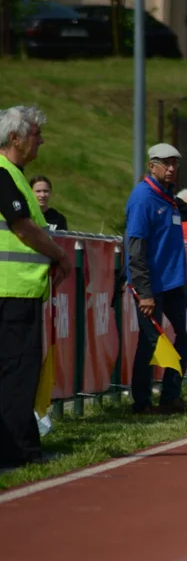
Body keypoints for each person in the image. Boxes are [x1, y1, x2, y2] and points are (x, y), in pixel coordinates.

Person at [0, 105, 72, 468]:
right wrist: (61, 254)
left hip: (18, 291)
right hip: (11, 293)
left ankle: (25, 447)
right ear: (15, 138)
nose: (41, 140)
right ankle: (14, 453)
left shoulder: (13, 174)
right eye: (35, 134)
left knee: (18, 373)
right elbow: (23, 228)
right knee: (16, 373)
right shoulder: (4, 174)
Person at [125, 143, 187, 415]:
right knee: (149, 342)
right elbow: (135, 248)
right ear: (152, 165)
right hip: (150, 286)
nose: (171, 169)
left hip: (173, 284)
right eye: (165, 163)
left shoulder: (168, 197)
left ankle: (170, 397)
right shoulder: (143, 198)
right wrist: (144, 291)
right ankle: (142, 403)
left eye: (175, 163)